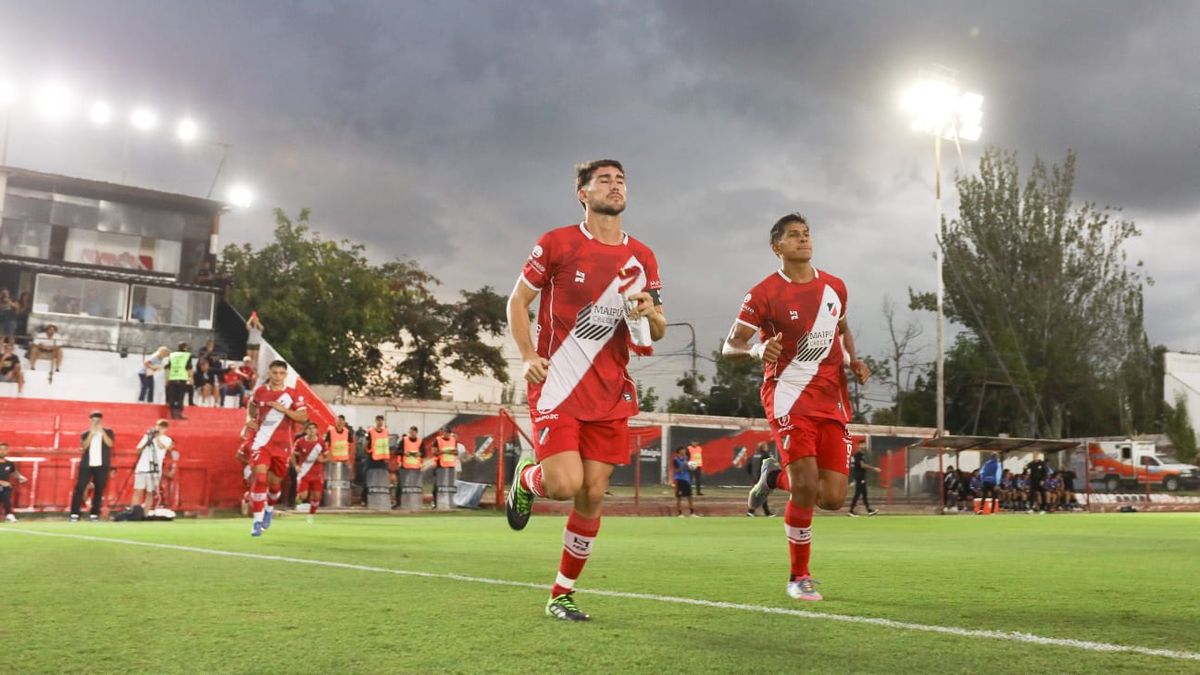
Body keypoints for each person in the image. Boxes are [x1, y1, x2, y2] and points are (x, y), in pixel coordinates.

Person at [504, 159, 666, 621]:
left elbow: (658, 328)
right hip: (557, 383)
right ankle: (528, 478)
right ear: (582, 192)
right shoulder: (556, 243)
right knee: (563, 484)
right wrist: (527, 355)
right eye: (604, 181)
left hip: (611, 391)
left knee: (592, 494)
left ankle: (561, 593)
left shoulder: (643, 258)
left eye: (621, 181)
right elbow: (517, 301)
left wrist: (649, 310)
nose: (615, 187)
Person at [727, 212, 870, 602]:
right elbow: (731, 345)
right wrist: (757, 349)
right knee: (807, 486)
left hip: (832, 400)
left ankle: (772, 478)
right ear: (778, 246)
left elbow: (841, 329)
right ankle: (798, 576)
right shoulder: (763, 293)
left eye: (806, 234)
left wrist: (854, 361)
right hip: (788, 396)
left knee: (833, 497)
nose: (803, 240)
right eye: (794, 236)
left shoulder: (835, 287)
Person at [244, 359, 308, 536]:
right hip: (262, 443)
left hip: (282, 446)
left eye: (281, 373)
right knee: (261, 478)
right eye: (275, 373)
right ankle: (256, 522)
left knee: (274, 485)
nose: (278, 376)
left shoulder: (293, 395)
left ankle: (269, 509)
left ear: (285, 375)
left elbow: (303, 417)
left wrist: (284, 410)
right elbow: (252, 406)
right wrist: (251, 421)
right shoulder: (260, 392)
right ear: (269, 374)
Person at [70, 411, 115, 521]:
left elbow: (110, 444)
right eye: (94, 420)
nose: (96, 422)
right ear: (90, 420)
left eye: (98, 420)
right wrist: (91, 433)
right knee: (80, 488)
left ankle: (94, 514)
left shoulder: (108, 432)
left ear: (101, 421)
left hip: (102, 465)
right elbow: (84, 446)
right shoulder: (85, 433)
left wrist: (101, 431)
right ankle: (74, 514)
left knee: (99, 490)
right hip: (87, 465)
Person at [132, 420, 175, 511]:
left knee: (150, 492)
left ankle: (146, 513)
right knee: (138, 491)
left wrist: (157, 437)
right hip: (142, 467)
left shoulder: (167, 439)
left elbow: (161, 447)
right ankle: (134, 512)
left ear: (166, 429)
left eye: (163, 427)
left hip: (155, 469)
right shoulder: (147, 437)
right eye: (159, 426)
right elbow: (138, 449)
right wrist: (148, 439)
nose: (160, 428)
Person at [293, 421, 330, 523]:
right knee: (303, 496)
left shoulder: (321, 442)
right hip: (304, 472)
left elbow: (329, 457)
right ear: (305, 431)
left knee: (317, 496)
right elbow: (293, 454)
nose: (311, 430)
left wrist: (322, 460)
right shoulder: (300, 442)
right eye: (309, 428)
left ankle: (311, 515)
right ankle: (298, 500)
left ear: (316, 430)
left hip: (317, 473)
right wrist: (296, 465)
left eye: (313, 428)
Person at [746, 442, 778, 517]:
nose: (767, 447)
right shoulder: (765, 455)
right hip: (762, 477)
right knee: (762, 494)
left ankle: (752, 512)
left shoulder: (754, 455)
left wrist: (752, 475)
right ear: (764, 447)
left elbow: (748, 467)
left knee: (758, 494)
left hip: (755, 478)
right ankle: (764, 513)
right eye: (766, 446)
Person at [0, 442, 30, 522]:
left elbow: (13, 472)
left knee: (6, 490)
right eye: (0, 449)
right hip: (3, 485)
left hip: (4, 488)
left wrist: (20, 477)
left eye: (5, 449)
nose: (2, 451)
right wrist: (1, 482)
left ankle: (9, 514)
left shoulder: (9, 463)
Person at [847, 448, 881, 517]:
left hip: (860, 477)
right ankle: (851, 511)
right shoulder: (858, 455)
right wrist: (874, 468)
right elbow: (862, 465)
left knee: (864, 494)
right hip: (860, 478)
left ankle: (869, 511)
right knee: (858, 494)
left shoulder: (858, 455)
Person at [431, 426, 458, 507]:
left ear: (450, 433)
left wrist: (453, 452)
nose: (445, 434)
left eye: (447, 433)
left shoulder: (453, 440)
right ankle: (435, 502)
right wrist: (443, 452)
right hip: (440, 465)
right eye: (444, 432)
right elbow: (434, 452)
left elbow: (456, 453)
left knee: (450, 485)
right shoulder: (438, 440)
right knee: (438, 485)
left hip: (451, 466)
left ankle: (450, 502)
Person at [165, 342, 192, 420]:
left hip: (172, 377)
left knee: (172, 397)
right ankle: (179, 414)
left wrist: (167, 378)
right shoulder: (187, 355)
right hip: (182, 378)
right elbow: (189, 367)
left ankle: (172, 414)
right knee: (180, 397)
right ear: (185, 348)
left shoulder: (172, 355)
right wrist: (190, 377)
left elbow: (168, 367)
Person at [671, 447, 696, 517]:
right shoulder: (675, 460)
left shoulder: (687, 458)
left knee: (690, 496)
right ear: (679, 451)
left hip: (687, 479)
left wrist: (691, 467)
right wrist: (683, 465)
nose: (684, 451)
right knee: (679, 497)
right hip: (679, 479)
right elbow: (677, 471)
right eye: (683, 450)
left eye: (685, 450)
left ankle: (692, 513)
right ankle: (680, 514)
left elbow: (689, 469)